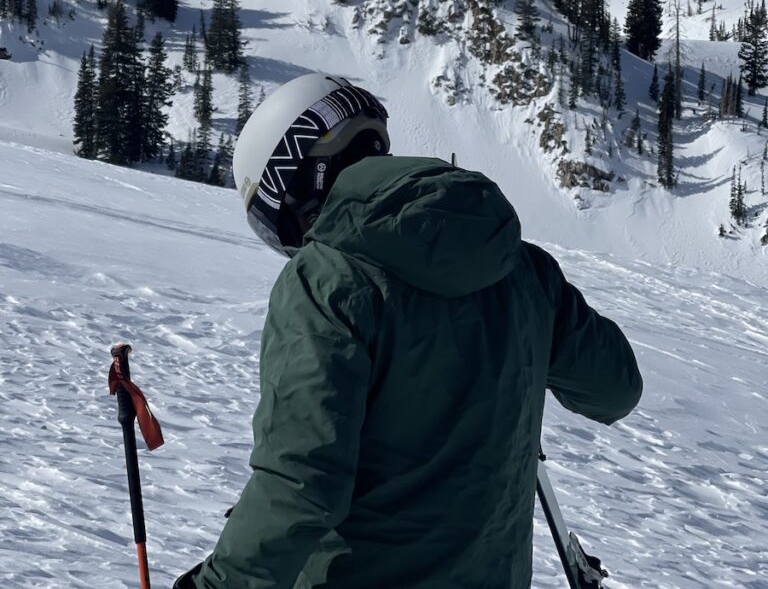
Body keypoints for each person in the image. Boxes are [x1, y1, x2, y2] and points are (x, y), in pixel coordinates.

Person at [175, 72, 642, 589]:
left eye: (285, 222)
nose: (301, 240)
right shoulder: (523, 268)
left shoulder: (327, 280)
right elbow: (616, 389)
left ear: (303, 178)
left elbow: (301, 483)